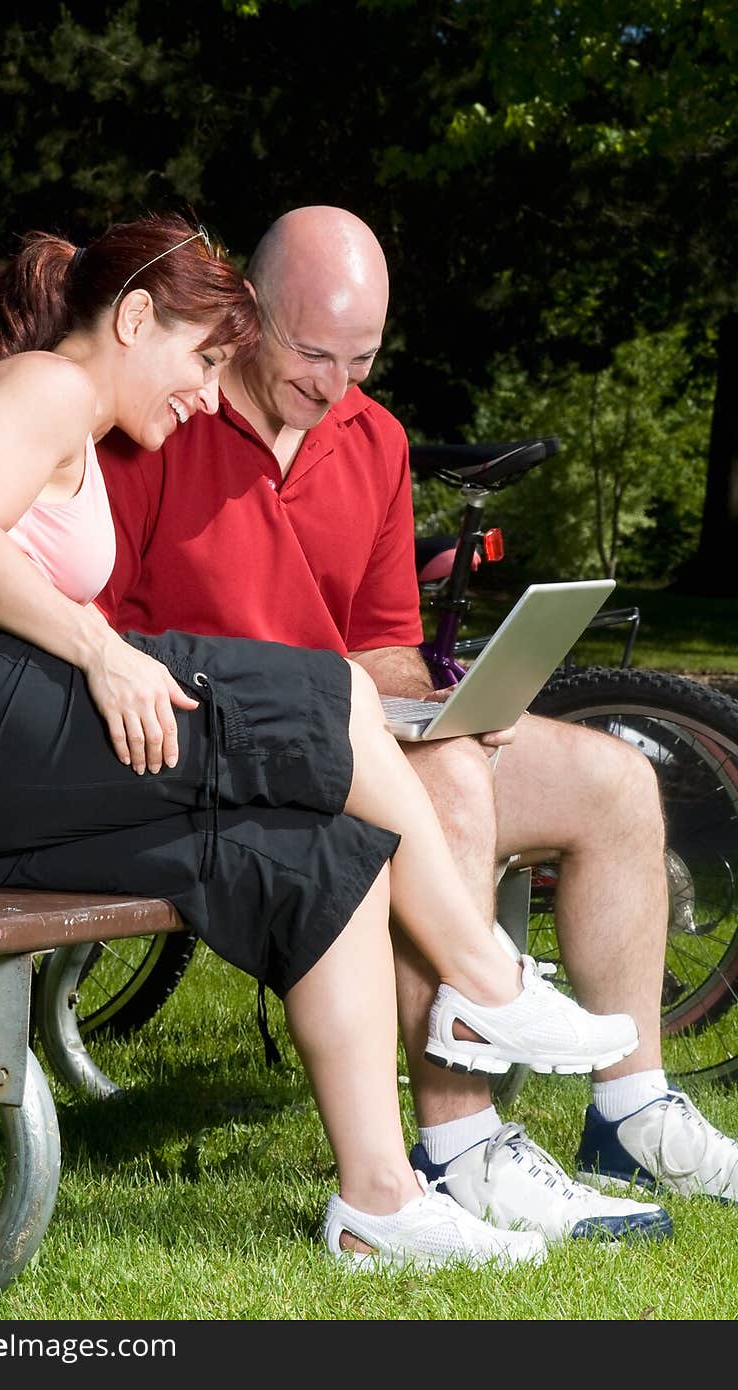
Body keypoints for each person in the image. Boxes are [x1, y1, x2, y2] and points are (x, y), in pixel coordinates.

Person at [0, 210, 647, 1274]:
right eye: (198, 358)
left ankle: (381, 1204)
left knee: (326, 861)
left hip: (1, 780)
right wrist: (102, 655)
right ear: (134, 318)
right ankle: (486, 979)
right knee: (326, 693)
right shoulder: (45, 383)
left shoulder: (88, 434)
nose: (203, 388)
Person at [96, 204, 738, 1240]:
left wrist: (443, 701)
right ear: (249, 313)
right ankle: (460, 1145)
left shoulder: (376, 435)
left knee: (614, 784)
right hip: (222, 745)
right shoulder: (160, 418)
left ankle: (630, 1109)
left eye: (361, 357)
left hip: (369, 732)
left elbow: (387, 638)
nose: (335, 385)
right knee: (443, 785)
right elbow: (109, 638)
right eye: (313, 353)